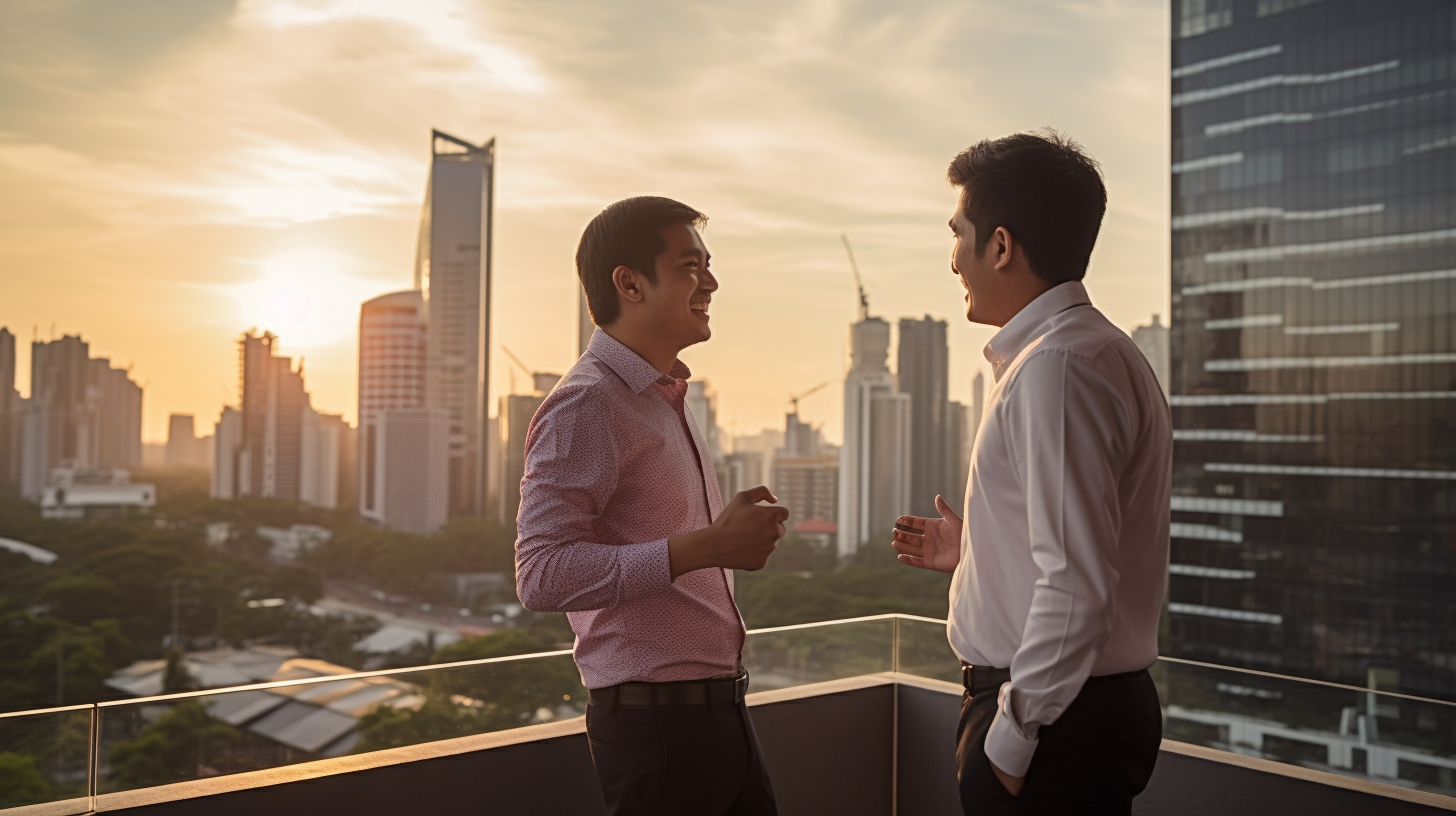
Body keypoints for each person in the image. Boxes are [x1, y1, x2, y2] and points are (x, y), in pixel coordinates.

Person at [891, 132, 1172, 815]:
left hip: (1052, 723)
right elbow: (1093, 543)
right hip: (1075, 714)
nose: (952, 257)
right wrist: (984, 550)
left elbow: (1077, 584)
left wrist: (1011, 742)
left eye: (959, 234)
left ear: (1001, 246)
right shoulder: (1097, 351)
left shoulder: (1058, 369)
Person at [515, 195, 790, 816]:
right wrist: (707, 547)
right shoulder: (586, 403)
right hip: (658, 732)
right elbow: (541, 575)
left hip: (718, 714)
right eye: (692, 265)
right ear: (629, 283)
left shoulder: (664, 395)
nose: (712, 282)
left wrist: (719, 537)